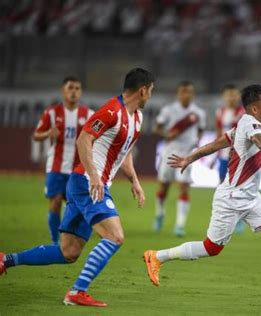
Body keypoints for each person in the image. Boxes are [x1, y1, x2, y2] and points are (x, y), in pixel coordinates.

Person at [144, 84, 261, 296]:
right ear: (254, 109)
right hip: (232, 197)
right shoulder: (251, 125)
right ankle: (157, 256)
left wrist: (190, 157)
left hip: (250, 196)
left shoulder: (243, 124)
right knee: (211, 248)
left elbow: (218, 143)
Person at [0, 68, 155, 307]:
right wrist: (94, 176)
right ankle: (77, 291)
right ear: (143, 90)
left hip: (88, 184)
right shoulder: (112, 110)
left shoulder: (137, 118)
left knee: (68, 251)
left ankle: (6, 260)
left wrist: (134, 181)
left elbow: (125, 153)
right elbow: (84, 138)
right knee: (115, 236)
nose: (150, 97)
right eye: (150, 92)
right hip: (87, 184)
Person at [33, 76, 93, 245]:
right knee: (55, 201)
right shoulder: (52, 113)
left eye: (77, 88)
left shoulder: (89, 115)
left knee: (75, 206)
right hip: (56, 165)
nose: (74, 92)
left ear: (80, 92)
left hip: (78, 168)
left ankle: (70, 237)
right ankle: (54, 241)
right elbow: (36, 135)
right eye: (70, 88)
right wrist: (47, 134)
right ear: (63, 91)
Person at [154, 81, 206, 236]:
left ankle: (180, 225)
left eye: (189, 91)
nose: (186, 94)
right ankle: (160, 214)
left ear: (193, 94)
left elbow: (201, 130)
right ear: (178, 94)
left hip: (186, 155)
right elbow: (157, 128)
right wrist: (167, 134)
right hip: (169, 153)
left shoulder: (198, 113)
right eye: (183, 91)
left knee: (184, 187)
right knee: (164, 186)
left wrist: (196, 142)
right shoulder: (168, 110)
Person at [213, 84, 245, 233]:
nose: (231, 98)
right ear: (224, 96)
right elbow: (218, 134)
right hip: (223, 156)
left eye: (234, 94)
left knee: (238, 188)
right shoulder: (220, 112)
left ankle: (239, 219)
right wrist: (214, 154)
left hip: (238, 157)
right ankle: (224, 218)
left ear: (238, 96)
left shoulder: (243, 113)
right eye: (229, 95)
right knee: (222, 187)